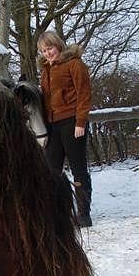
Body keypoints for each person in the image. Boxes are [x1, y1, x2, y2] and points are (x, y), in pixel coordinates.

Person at [37, 31, 93, 227]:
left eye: (49, 48)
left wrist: (81, 122)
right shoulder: (45, 71)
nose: (47, 53)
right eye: (44, 51)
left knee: (78, 169)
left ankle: (84, 214)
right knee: (51, 171)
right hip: (53, 126)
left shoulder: (74, 64)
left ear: (58, 45)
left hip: (71, 122)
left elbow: (84, 94)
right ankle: (58, 213)